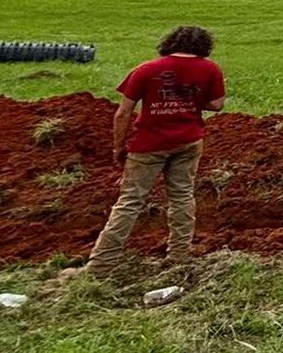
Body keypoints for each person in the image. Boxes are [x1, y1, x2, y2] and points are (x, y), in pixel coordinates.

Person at [87, 25, 226, 279]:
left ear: (170, 43)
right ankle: (178, 256)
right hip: (189, 141)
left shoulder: (147, 70)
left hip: (148, 145)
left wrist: (118, 146)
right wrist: (190, 102)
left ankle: (100, 266)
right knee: (182, 197)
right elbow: (217, 105)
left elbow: (123, 113)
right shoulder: (210, 69)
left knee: (129, 202)